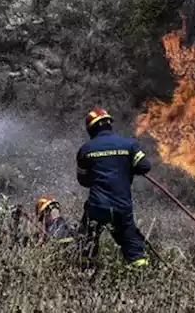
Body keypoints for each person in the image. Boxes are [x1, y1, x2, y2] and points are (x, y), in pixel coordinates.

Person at [76, 107, 153, 269]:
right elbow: (145, 166)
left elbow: (83, 180)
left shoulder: (85, 150)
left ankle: (83, 275)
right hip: (121, 207)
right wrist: (127, 168)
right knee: (132, 244)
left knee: (87, 242)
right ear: (109, 124)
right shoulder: (129, 145)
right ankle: (142, 276)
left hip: (97, 206)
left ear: (91, 129)